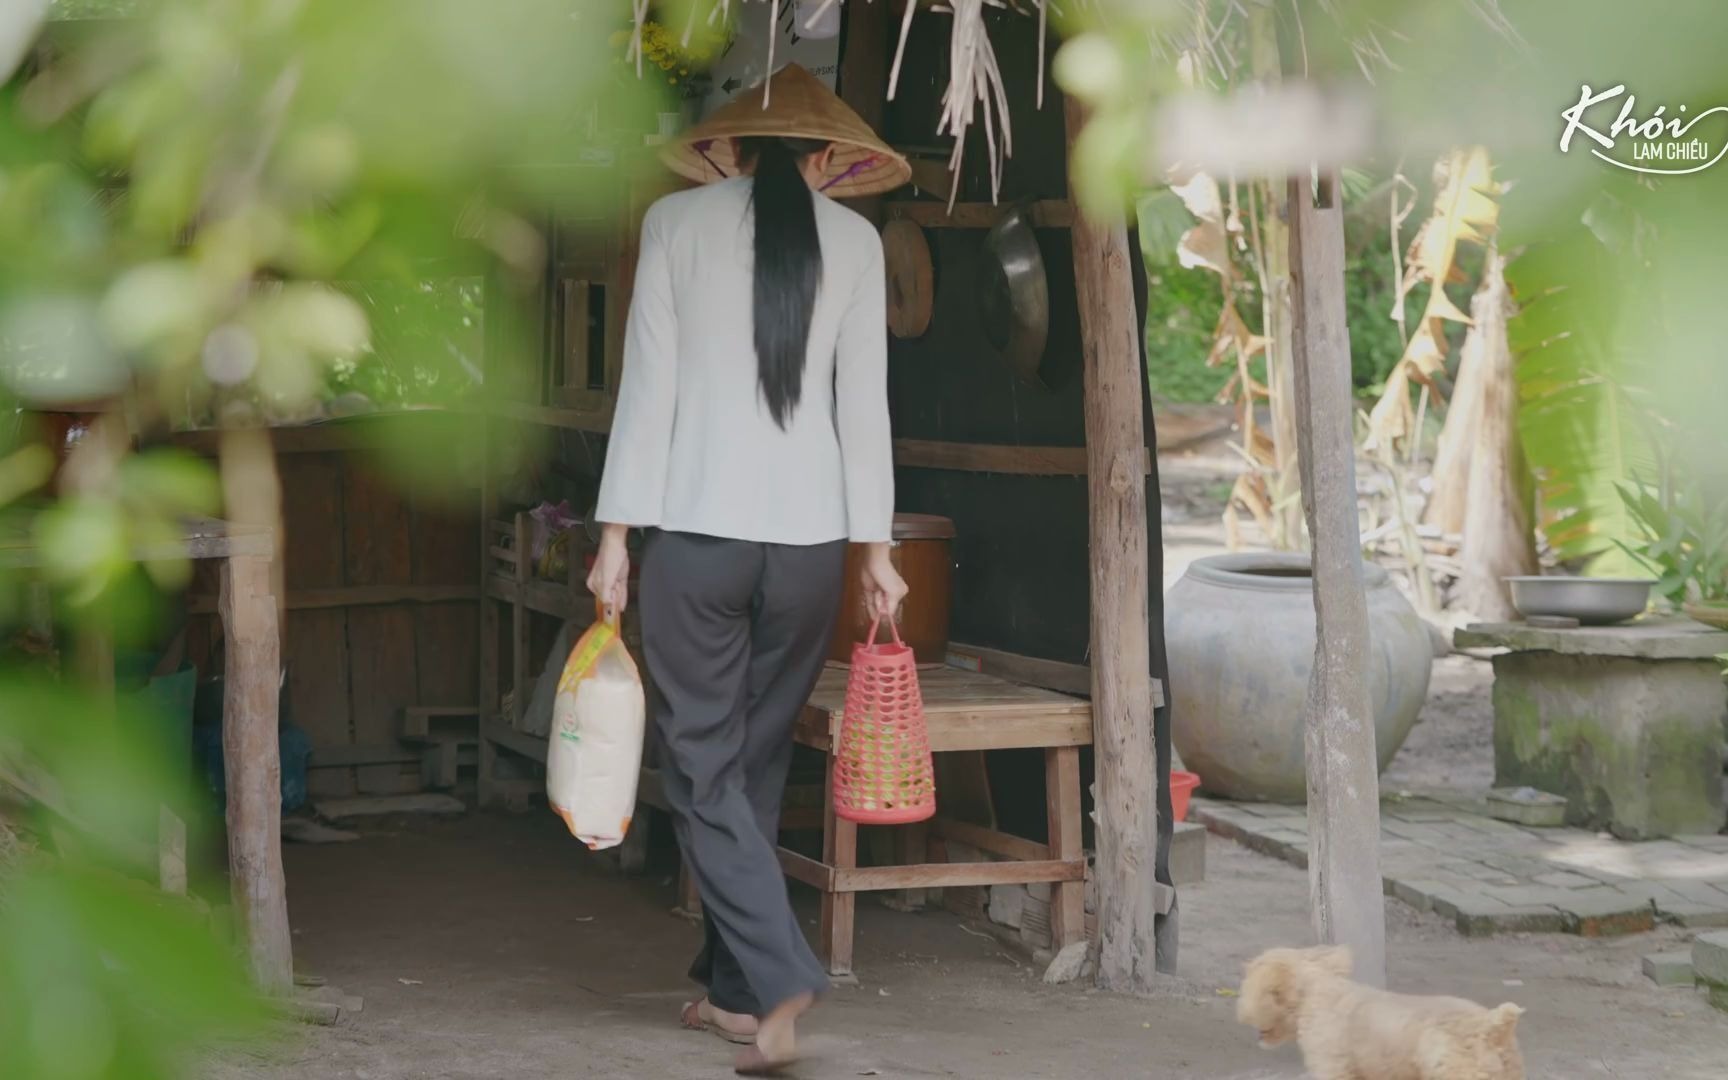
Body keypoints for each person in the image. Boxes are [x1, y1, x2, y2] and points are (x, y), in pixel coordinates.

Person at [586, 65, 912, 1075]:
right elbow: (864, 410)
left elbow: (647, 391)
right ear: (824, 158)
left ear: (726, 152)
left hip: (698, 535)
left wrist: (613, 536)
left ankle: (774, 977)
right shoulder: (856, 243)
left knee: (699, 766)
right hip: (812, 547)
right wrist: (879, 550)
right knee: (752, 763)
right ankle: (737, 998)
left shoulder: (676, 230)